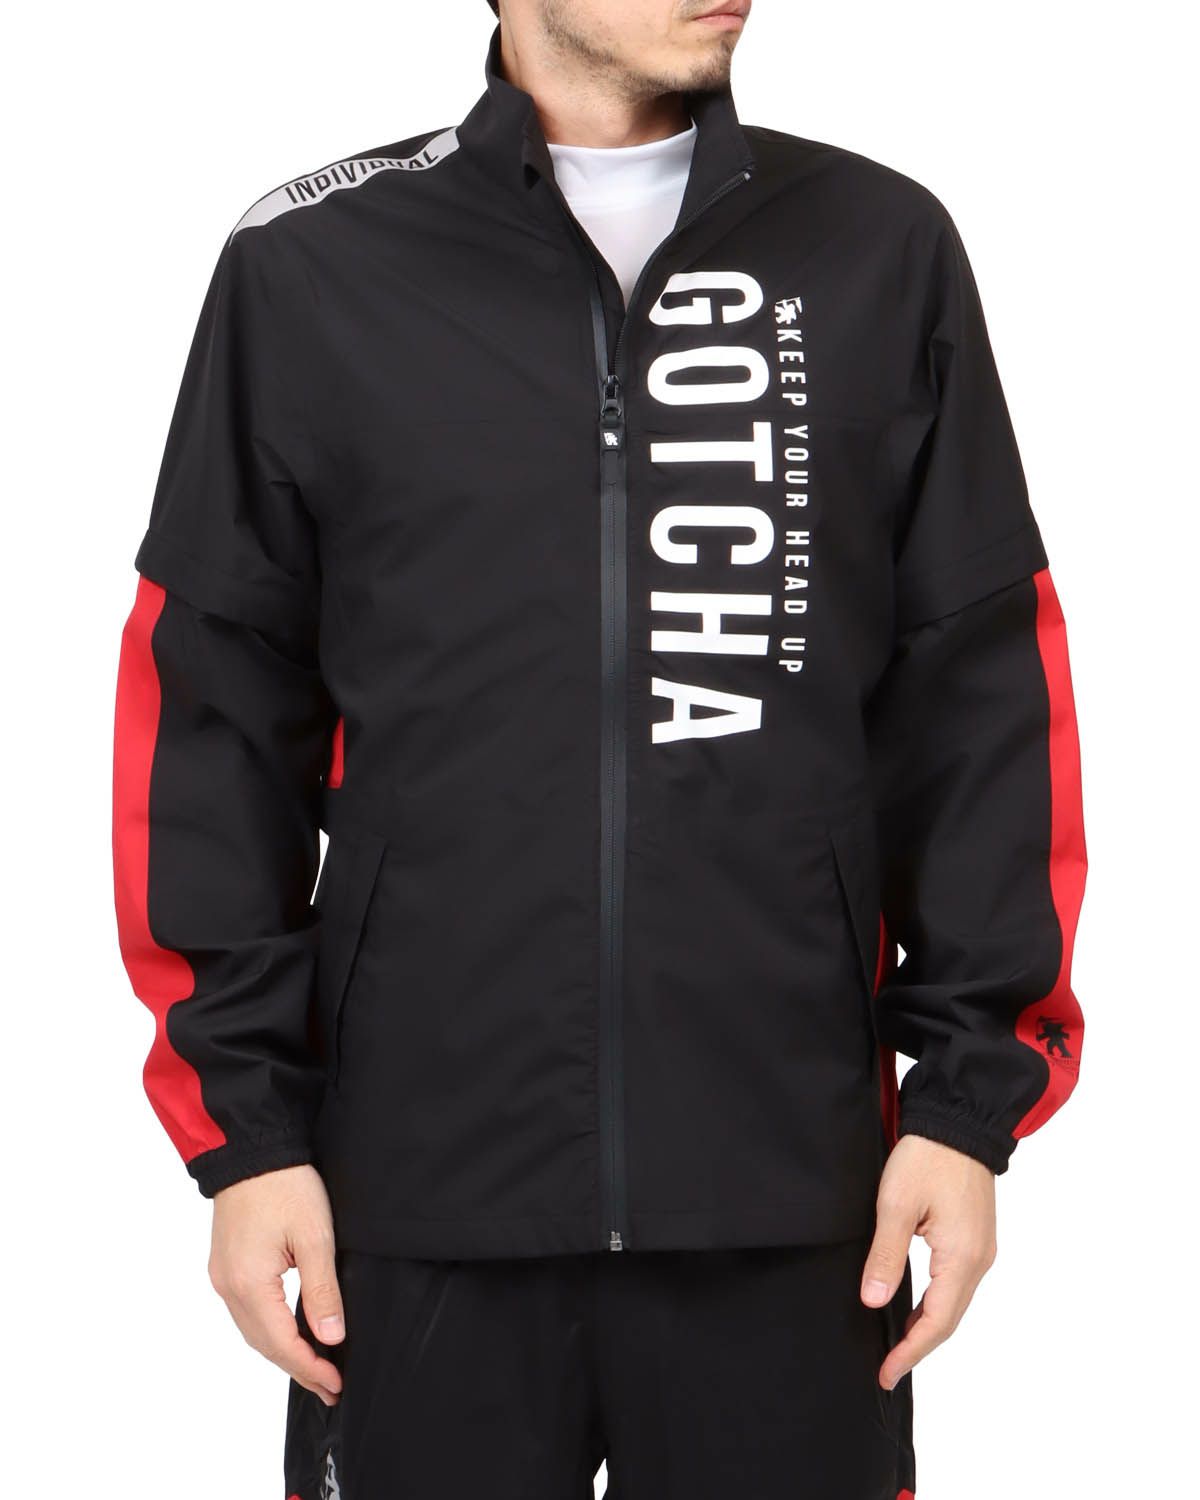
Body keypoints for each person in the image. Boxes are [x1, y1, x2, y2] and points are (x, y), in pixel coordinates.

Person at [111, 2, 1088, 1495]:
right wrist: (245, 1140)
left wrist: (965, 1108)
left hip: (794, 1201)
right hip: (417, 1203)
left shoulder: (878, 249)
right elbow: (209, 726)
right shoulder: (312, 265)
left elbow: (980, 702)